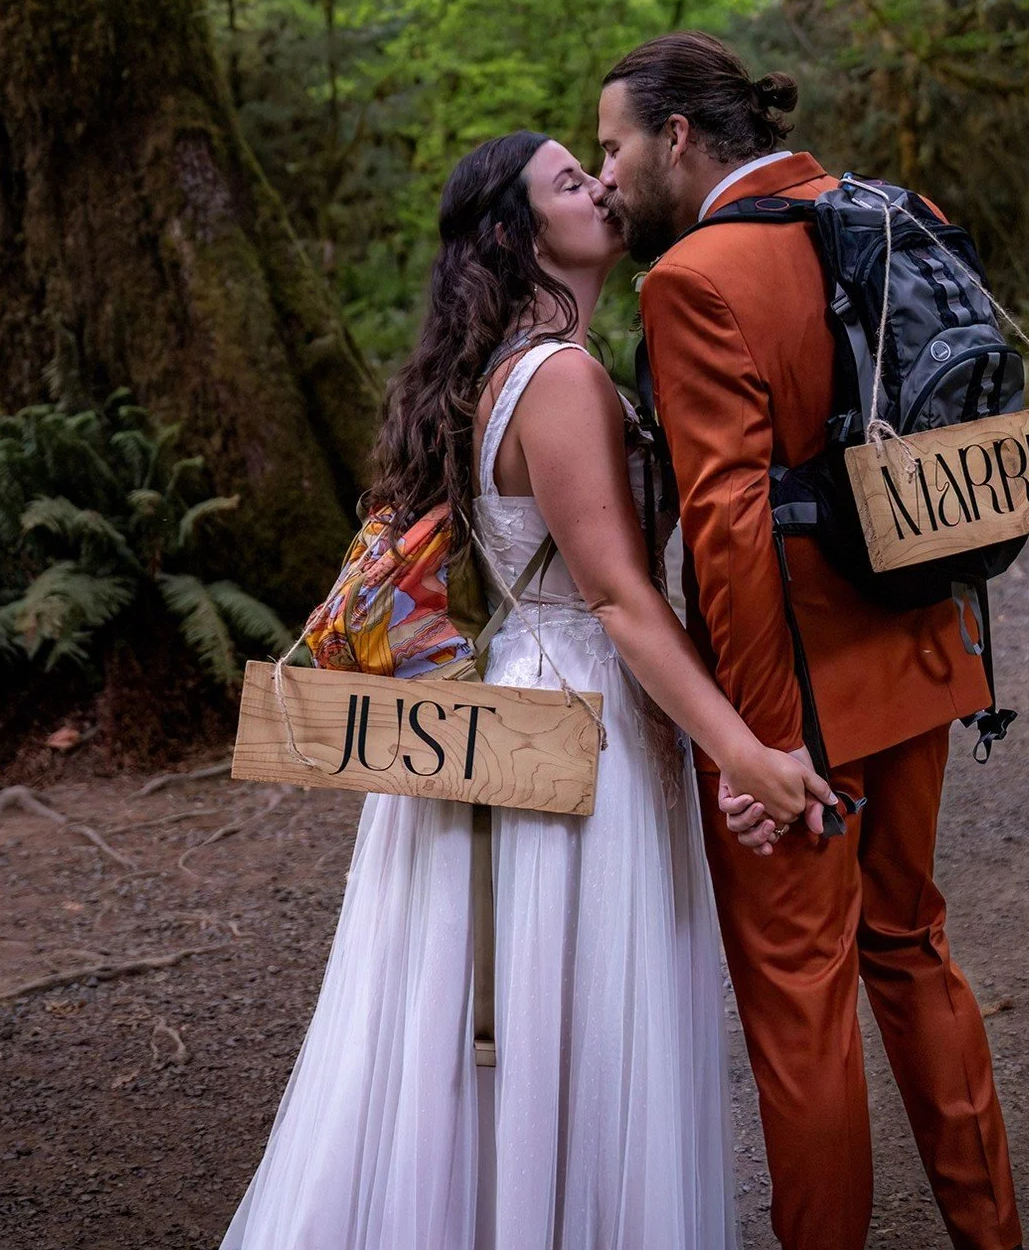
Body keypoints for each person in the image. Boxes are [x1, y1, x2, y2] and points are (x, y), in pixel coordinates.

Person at [220, 129, 833, 1250]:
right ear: (518, 231)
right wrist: (742, 754)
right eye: (570, 179)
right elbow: (616, 597)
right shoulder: (555, 376)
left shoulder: (517, 364)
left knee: (514, 1039)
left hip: (544, 699)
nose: (601, 183)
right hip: (568, 727)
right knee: (572, 1022)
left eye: (595, 166)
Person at [598, 32, 1024, 1250]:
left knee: (801, 1005)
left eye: (617, 145)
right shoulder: (898, 214)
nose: (608, 173)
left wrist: (756, 754)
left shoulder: (696, 281)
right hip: (926, 647)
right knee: (912, 942)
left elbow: (728, 535)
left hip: (802, 704)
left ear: (678, 138)